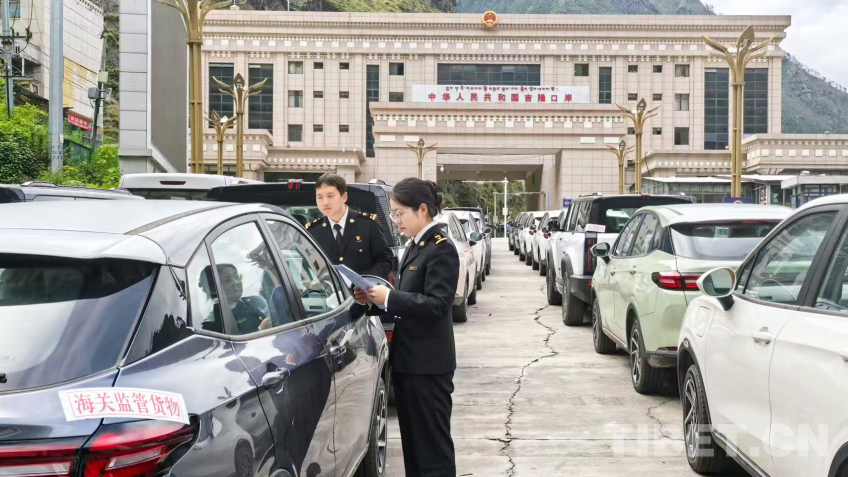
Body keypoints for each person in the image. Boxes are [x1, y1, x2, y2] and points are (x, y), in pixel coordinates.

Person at [355, 177, 459, 477]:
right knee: (414, 446)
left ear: (422, 209)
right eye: (393, 214)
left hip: (428, 366)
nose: (396, 220)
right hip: (409, 362)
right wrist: (373, 298)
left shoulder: (440, 248)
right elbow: (408, 301)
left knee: (432, 449)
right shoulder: (415, 246)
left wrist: (390, 297)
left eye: (400, 213)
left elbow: (437, 305)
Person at [305, 173, 393, 279]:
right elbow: (307, 268)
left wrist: (364, 280)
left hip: (364, 288)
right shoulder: (313, 231)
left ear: (344, 197)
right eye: (320, 197)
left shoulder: (367, 224)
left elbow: (385, 259)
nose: (325, 202)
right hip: (330, 289)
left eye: (330, 196)